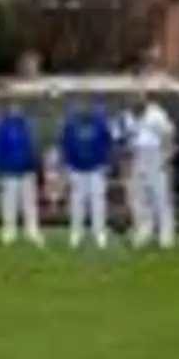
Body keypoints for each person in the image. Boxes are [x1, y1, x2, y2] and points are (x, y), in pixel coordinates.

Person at [58, 96, 115, 250]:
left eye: (86, 105)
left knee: (98, 201)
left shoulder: (100, 123)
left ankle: (99, 232)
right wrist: (68, 165)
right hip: (77, 169)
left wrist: (105, 163)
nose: (83, 108)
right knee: (77, 202)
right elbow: (65, 145)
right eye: (80, 105)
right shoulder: (70, 124)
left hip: (96, 168)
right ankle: (77, 231)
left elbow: (108, 143)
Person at [124, 91, 177, 249]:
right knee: (139, 198)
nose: (134, 104)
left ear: (145, 100)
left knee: (160, 197)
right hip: (138, 156)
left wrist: (165, 157)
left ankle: (166, 235)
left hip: (156, 155)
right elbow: (128, 138)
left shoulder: (157, 115)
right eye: (131, 101)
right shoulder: (128, 116)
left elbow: (169, 136)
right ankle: (144, 231)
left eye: (137, 100)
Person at [0, 100, 43, 245]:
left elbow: (32, 147)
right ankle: (9, 232)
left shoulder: (27, 126)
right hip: (9, 172)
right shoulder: (2, 127)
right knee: (9, 204)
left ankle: (32, 231)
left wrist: (33, 166)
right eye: (13, 107)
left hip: (26, 171)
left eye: (18, 107)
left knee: (29, 204)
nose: (16, 109)